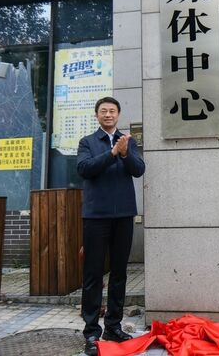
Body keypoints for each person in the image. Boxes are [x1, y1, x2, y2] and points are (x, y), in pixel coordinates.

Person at [77, 97, 145, 356]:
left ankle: (113, 327)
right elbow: (85, 169)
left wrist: (125, 153)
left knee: (119, 273)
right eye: (103, 111)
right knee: (93, 274)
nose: (108, 114)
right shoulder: (87, 142)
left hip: (124, 215)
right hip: (96, 216)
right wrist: (112, 153)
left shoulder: (128, 141)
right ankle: (91, 332)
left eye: (112, 111)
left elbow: (139, 169)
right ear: (97, 115)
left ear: (118, 114)